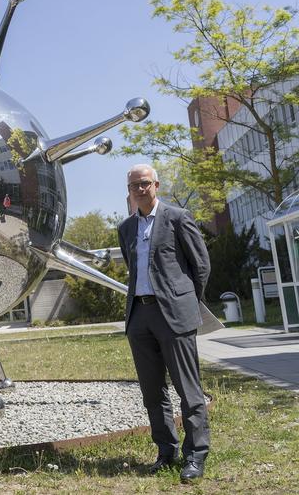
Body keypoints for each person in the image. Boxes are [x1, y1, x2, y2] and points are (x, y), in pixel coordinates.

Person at [117, 164, 210, 483]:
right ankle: (166, 451)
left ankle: (196, 454)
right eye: (134, 185)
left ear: (156, 185)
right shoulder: (126, 228)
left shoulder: (177, 218)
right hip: (139, 316)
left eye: (144, 183)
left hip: (174, 314)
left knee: (188, 388)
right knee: (152, 391)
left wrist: (184, 302)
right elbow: (133, 267)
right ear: (128, 190)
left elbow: (200, 266)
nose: (139, 189)